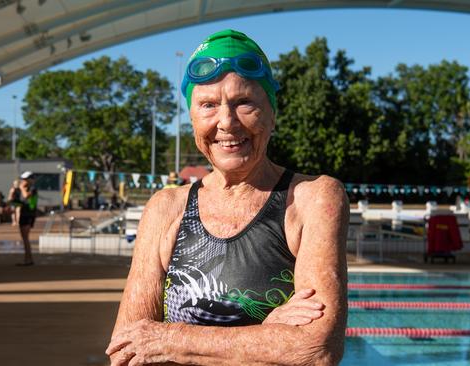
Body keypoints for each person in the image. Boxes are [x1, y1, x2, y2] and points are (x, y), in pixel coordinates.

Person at [106, 29, 349, 365]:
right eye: (207, 105)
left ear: (272, 112)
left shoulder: (312, 198)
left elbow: (316, 350)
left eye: (244, 102)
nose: (226, 122)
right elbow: (126, 351)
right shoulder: (166, 208)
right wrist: (269, 334)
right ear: (191, 118)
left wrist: (169, 338)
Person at [15, 171, 38, 266]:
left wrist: (21, 188)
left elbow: (26, 196)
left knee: (25, 238)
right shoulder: (26, 188)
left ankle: (28, 259)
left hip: (28, 215)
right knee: (24, 238)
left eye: (24, 179)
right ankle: (28, 258)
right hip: (24, 214)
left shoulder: (32, 188)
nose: (23, 181)